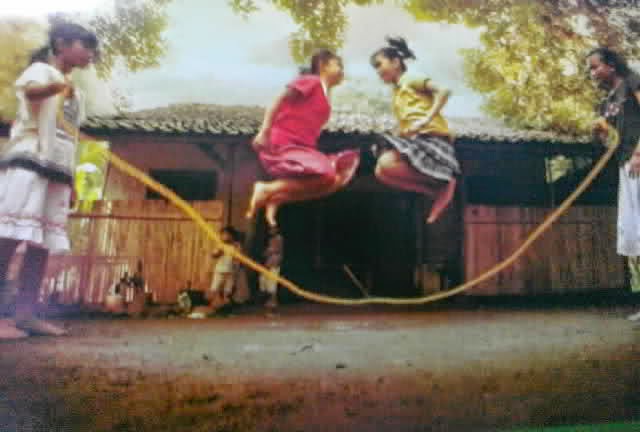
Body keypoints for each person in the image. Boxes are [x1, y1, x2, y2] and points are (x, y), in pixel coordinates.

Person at [0, 22, 97, 339]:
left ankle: (26, 314)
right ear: (62, 43)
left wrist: (72, 182)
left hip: (57, 170)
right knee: (8, 237)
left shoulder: (75, 91)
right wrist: (57, 86)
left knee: (41, 244)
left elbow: (69, 137)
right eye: (86, 45)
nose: (91, 53)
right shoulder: (41, 71)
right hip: (30, 162)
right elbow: (30, 93)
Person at [246, 49, 360, 228]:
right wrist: (264, 131)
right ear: (323, 65)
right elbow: (278, 100)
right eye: (338, 65)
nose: (342, 71)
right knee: (327, 173)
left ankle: (278, 198)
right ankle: (266, 189)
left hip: (303, 148)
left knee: (336, 180)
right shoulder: (311, 81)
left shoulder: (325, 95)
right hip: (284, 143)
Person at [370, 37, 460, 224]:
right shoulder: (396, 93)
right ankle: (434, 191)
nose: (378, 71)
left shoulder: (410, 78)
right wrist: (400, 133)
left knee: (386, 163)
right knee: (380, 172)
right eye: (375, 68)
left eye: (379, 64)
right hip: (417, 140)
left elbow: (444, 90)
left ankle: (446, 182)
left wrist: (426, 119)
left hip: (433, 140)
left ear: (396, 62)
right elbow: (409, 121)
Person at [587, 47, 640, 321]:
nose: (592, 73)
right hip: (625, 166)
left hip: (637, 160)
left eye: (595, 66)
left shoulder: (633, 82)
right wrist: (600, 131)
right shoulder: (607, 102)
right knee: (633, 234)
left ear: (611, 65)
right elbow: (609, 140)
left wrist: (639, 153)